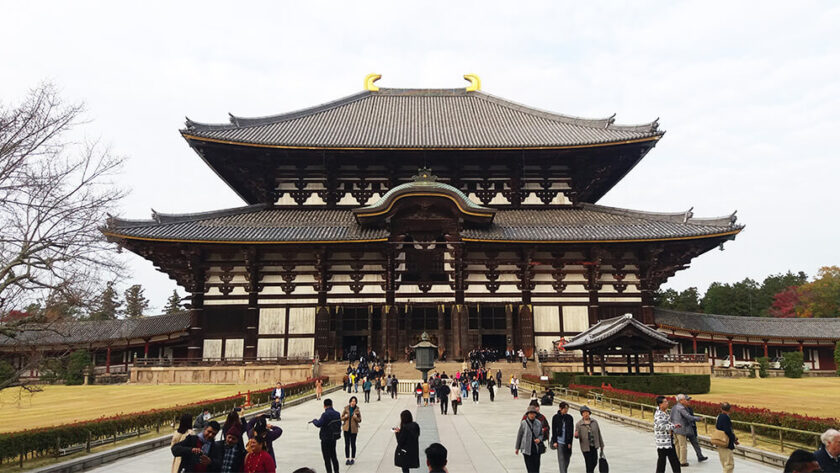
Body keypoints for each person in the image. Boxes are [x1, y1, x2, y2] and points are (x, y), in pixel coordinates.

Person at [311, 398, 341, 473]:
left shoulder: (325, 414)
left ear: (324, 406)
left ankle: (329, 471)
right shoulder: (337, 413)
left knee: (327, 458)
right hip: (334, 438)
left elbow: (319, 424)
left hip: (325, 438)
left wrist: (314, 420)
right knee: (334, 456)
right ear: (332, 404)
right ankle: (336, 471)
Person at [654, 395, 681, 473]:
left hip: (668, 440)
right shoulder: (659, 414)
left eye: (667, 401)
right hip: (663, 442)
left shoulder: (665, 412)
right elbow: (661, 426)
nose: (667, 403)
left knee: (671, 461)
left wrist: (673, 426)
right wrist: (673, 426)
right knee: (665, 462)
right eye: (665, 402)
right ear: (660, 404)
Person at [574, 406, 603, 473]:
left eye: (587, 412)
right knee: (589, 463)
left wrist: (602, 445)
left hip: (594, 446)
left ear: (589, 413)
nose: (586, 414)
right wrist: (576, 435)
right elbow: (576, 435)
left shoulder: (594, 422)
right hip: (586, 447)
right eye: (584, 413)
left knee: (595, 462)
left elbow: (599, 433)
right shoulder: (579, 424)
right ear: (582, 414)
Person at [516, 406, 545, 472]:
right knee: (530, 469)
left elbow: (541, 434)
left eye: (533, 413)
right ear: (527, 414)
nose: (532, 415)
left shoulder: (538, 423)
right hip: (526, 449)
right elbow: (519, 435)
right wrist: (517, 448)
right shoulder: (524, 423)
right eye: (530, 413)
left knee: (536, 469)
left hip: (536, 449)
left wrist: (539, 439)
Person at [715, 402, 738, 473]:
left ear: (721, 409)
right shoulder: (726, 418)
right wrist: (734, 438)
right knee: (729, 465)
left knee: (724, 463)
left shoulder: (719, 416)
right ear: (730, 409)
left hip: (720, 441)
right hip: (726, 443)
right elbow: (728, 431)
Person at [551, 401, 574, 473]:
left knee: (567, 458)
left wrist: (570, 442)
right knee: (561, 459)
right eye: (565, 408)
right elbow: (554, 430)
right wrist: (555, 441)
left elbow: (571, 431)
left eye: (567, 409)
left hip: (567, 441)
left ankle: (564, 471)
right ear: (560, 408)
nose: (566, 410)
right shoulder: (555, 417)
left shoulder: (569, 418)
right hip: (559, 441)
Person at [341, 396, 362, 465]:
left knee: (353, 444)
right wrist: (345, 417)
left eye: (354, 401)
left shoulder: (357, 410)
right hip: (346, 429)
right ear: (350, 402)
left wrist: (356, 418)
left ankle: (352, 458)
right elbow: (341, 418)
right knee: (347, 444)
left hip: (354, 429)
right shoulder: (346, 408)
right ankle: (347, 458)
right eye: (352, 401)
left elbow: (360, 420)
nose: (353, 402)